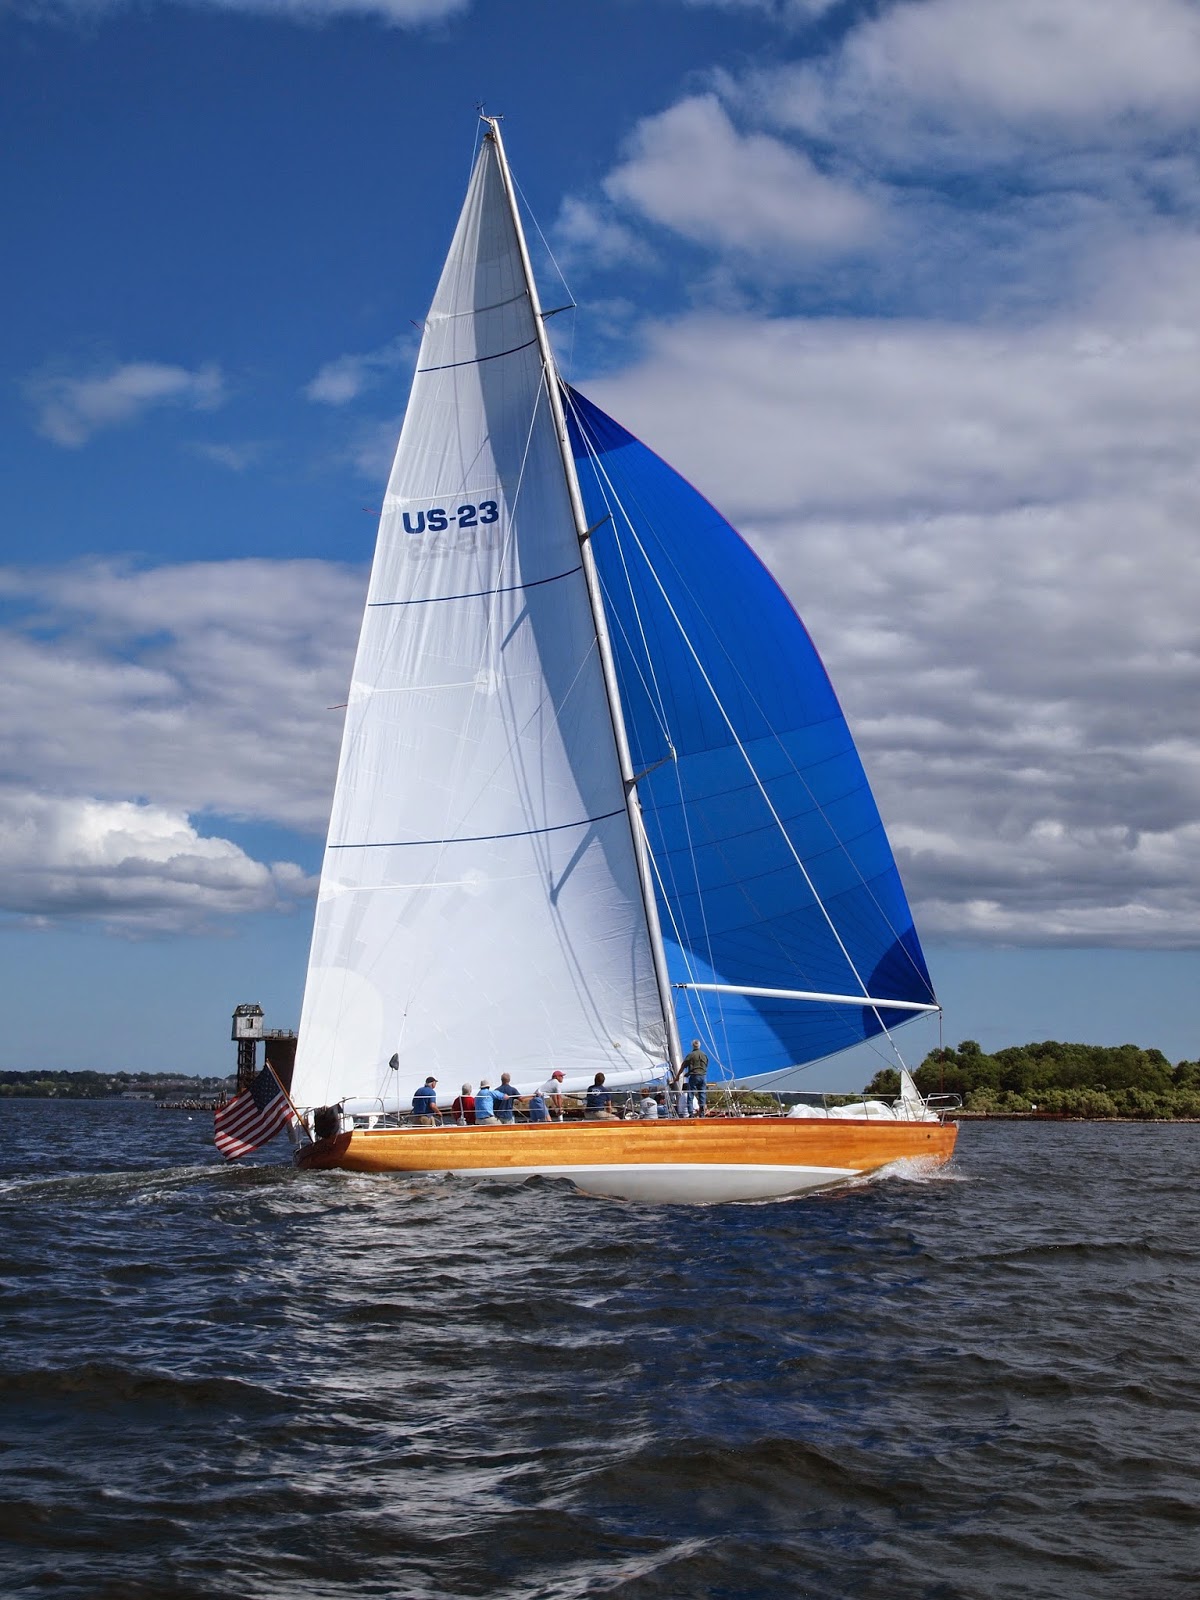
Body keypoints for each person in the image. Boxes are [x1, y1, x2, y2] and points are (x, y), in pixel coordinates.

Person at [682, 1040, 709, 1118]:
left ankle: (691, 1114)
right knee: (702, 1095)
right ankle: (702, 1113)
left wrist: (678, 1076)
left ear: (692, 1046)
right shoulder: (704, 1055)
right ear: (699, 1045)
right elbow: (705, 1065)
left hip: (694, 1076)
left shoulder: (691, 1055)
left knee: (690, 1095)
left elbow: (683, 1066)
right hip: (703, 1076)